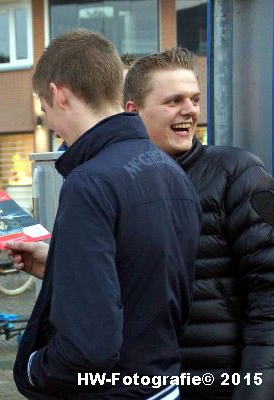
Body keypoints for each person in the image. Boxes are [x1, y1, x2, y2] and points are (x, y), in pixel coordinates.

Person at [5, 30, 201, 399]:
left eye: (44, 108)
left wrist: (34, 369)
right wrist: (63, 263)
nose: (49, 122)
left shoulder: (89, 183)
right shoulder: (170, 170)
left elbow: (88, 347)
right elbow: (150, 279)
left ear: (59, 94)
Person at [124, 47, 274, 399]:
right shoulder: (118, 185)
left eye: (194, 99)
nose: (190, 110)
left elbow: (269, 295)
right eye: (174, 100)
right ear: (133, 112)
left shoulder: (238, 172)